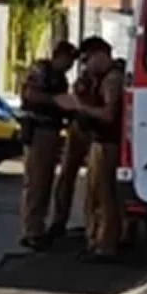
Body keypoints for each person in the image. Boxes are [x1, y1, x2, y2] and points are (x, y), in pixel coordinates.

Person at [58, 36, 125, 263]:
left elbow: (108, 114)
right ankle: (96, 239)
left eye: (87, 60)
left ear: (100, 55)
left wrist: (81, 106)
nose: (86, 66)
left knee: (104, 195)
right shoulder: (97, 78)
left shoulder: (113, 79)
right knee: (94, 193)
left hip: (108, 142)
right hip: (98, 141)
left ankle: (105, 243)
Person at [17, 40, 78, 251]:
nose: (70, 64)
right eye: (68, 59)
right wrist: (56, 101)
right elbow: (30, 95)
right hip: (38, 129)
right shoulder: (41, 70)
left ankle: (38, 228)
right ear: (59, 56)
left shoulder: (60, 77)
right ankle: (31, 231)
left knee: (46, 181)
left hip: (51, 130)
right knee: (36, 182)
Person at [45, 60, 98, 241]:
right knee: (66, 175)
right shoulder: (83, 80)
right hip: (79, 126)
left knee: (96, 182)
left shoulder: (108, 79)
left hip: (94, 130)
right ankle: (59, 220)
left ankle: (94, 227)